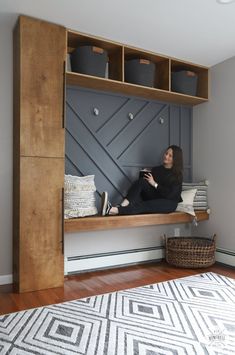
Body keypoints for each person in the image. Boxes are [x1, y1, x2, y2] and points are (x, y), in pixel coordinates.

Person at [101, 145, 183, 216]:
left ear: (175, 159)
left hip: (169, 203)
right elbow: (148, 187)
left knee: (144, 205)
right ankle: (121, 206)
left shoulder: (177, 175)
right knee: (141, 182)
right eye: (166, 153)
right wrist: (145, 175)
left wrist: (154, 184)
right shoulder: (156, 169)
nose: (166, 156)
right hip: (156, 197)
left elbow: (170, 195)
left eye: (170, 155)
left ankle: (114, 210)